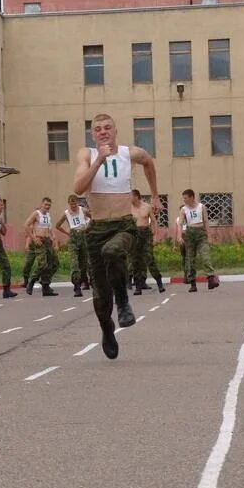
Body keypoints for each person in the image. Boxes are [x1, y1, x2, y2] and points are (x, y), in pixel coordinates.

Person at [73, 113, 160, 360]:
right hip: (97, 229)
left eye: (107, 128)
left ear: (115, 130)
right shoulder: (86, 155)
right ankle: (107, 328)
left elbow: (148, 161)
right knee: (100, 295)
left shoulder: (128, 153)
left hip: (124, 225)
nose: (103, 132)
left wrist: (154, 195)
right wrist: (98, 160)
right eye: (98, 129)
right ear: (92, 134)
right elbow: (78, 187)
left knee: (112, 251)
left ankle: (122, 302)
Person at [178, 189, 220, 292]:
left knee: (205, 257)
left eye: (186, 198)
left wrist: (209, 236)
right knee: (190, 260)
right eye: (183, 198)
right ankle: (192, 283)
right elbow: (180, 224)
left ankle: (211, 279)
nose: (184, 200)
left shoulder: (201, 207)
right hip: (190, 235)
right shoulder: (184, 209)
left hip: (201, 234)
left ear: (192, 197)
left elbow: (206, 222)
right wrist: (179, 237)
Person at [130, 189, 165, 295]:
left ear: (136, 196)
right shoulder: (128, 208)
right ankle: (138, 286)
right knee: (136, 261)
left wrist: (155, 237)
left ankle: (159, 282)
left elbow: (154, 222)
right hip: (134, 234)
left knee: (149, 259)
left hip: (146, 233)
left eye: (130, 196)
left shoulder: (147, 206)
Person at [55, 195, 91, 297]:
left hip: (83, 236)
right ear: (69, 204)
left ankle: (85, 281)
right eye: (71, 204)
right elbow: (57, 225)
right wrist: (67, 233)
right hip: (73, 238)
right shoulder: (66, 213)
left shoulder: (82, 210)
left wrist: (88, 228)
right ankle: (77, 286)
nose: (73, 206)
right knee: (74, 263)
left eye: (74, 203)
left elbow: (93, 217)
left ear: (77, 203)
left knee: (83, 263)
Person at [24, 197, 59, 296]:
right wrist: (34, 238)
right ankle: (31, 281)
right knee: (43, 264)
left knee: (54, 263)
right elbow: (26, 225)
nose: (47, 207)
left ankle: (45, 286)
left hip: (48, 241)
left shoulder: (48, 215)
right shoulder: (36, 213)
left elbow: (50, 229)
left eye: (49, 205)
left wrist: (54, 242)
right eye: (45, 204)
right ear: (41, 204)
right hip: (39, 241)